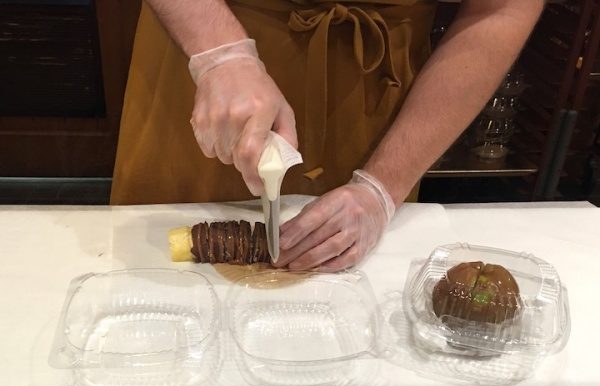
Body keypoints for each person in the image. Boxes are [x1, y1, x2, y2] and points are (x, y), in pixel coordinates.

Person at [111, 0, 544, 271]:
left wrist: (382, 188)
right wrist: (220, 57)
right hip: (205, 62)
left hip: (378, 100)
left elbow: (502, 8)